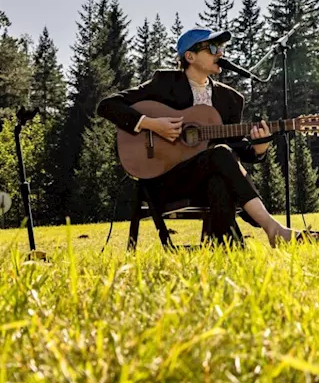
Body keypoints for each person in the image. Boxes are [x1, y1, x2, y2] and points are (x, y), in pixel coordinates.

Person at [97, 28, 304, 246]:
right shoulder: (165, 83)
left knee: (219, 175)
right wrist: (153, 125)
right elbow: (107, 106)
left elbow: (238, 147)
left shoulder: (231, 99)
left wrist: (259, 148)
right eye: (214, 48)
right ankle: (272, 228)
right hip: (165, 178)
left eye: (222, 48)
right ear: (190, 56)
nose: (221, 54)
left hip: (206, 180)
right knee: (220, 155)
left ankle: (224, 250)